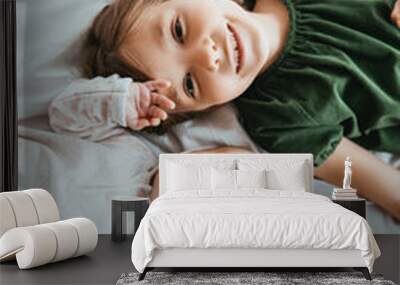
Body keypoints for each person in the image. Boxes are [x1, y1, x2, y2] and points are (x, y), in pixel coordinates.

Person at [48, 0, 400, 220]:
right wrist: (122, 101)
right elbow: (388, 189)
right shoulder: (279, 120)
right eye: (189, 84)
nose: (207, 57)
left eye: (179, 30)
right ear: (209, 107)